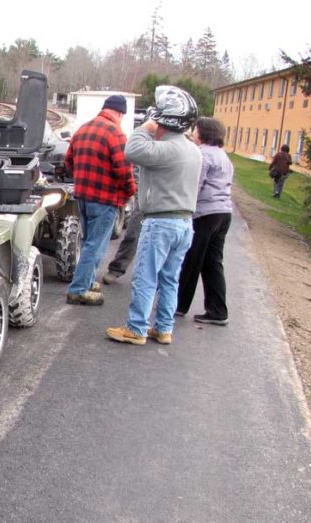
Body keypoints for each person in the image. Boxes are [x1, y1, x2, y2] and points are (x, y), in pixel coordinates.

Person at [106, 85, 201, 346]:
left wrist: (146, 126)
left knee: (146, 276)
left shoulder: (169, 149)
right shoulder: (193, 150)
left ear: (164, 122)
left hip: (161, 222)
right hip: (184, 223)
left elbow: (132, 150)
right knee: (170, 278)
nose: (154, 125)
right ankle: (163, 328)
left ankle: (136, 328)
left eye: (158, 120)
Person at [63, 94, 137, 305]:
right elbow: (124, 170)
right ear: (120, 113)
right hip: (105, 199)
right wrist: (131, 191)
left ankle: (85, 281)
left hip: (83, 196)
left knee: (89, 241)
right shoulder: (116, 133)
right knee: (95, 245)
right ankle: (78, 289)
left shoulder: (83, 129)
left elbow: (68, 161)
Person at [176, 117, 234, 326]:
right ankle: (218, 310)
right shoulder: (223, 156)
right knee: (212, 262)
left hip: (205, 213)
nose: (192, 133)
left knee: (192, 258)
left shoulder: (202, 155)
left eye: (195, 130)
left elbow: (194, 184)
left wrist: (183, 208)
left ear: (203, 133)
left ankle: (179, 305)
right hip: (224, 213)